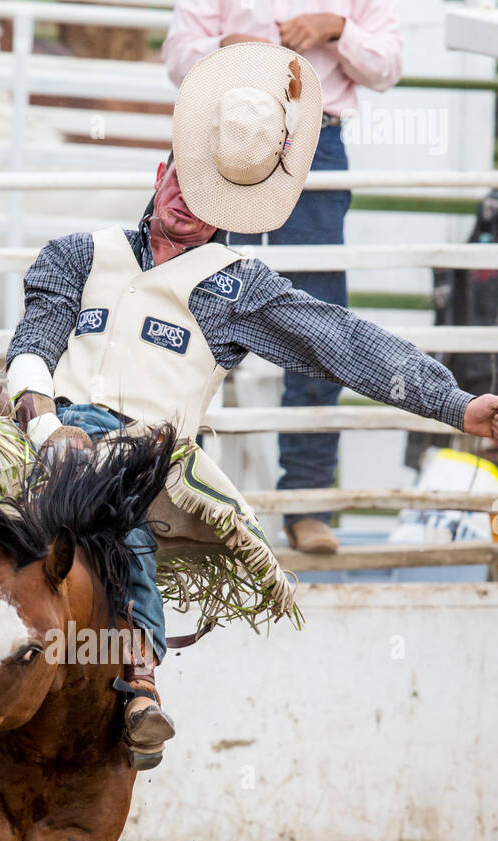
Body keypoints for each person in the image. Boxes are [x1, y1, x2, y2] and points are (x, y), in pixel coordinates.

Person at [0, 44, 498, 767]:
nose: (184, 203)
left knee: (117, 504)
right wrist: (45, 423)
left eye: (206, 199)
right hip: (35, 424)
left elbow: (343, 342)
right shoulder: (78, 253)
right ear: (161, 173)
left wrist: (454, 405)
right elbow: (33, 345)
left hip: (144, 447)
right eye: (181, 183)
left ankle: (137, 674)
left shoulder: (240, 289)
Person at [163, 1, 403, 555]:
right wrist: (228, 54)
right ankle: (179, 494)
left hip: (310, 138)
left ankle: (307, 499)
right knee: (194, 311)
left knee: (314, 322)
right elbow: (179, 56)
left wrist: (336, 28)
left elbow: (388, 63)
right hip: (225, 135)